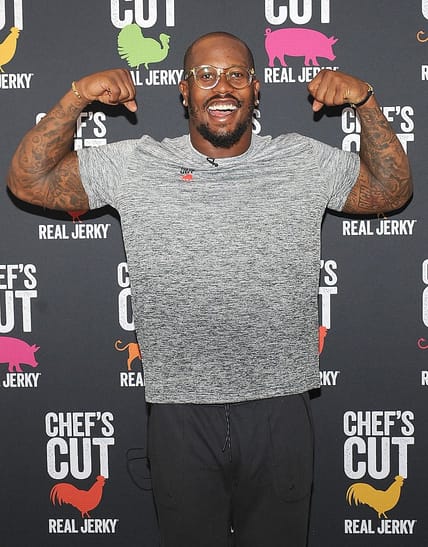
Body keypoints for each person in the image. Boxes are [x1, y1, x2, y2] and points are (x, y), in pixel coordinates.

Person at [7, 32, 411, 547]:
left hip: (279, 408)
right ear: (184, 90)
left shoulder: (301, 160)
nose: (222, 86)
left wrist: (366, 101)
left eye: (237, 75)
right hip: (179, 413)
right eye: (206, 75)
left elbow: (392, 191)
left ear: (256, 89)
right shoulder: (136, 165)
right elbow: (27, 182)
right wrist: (76, 97)